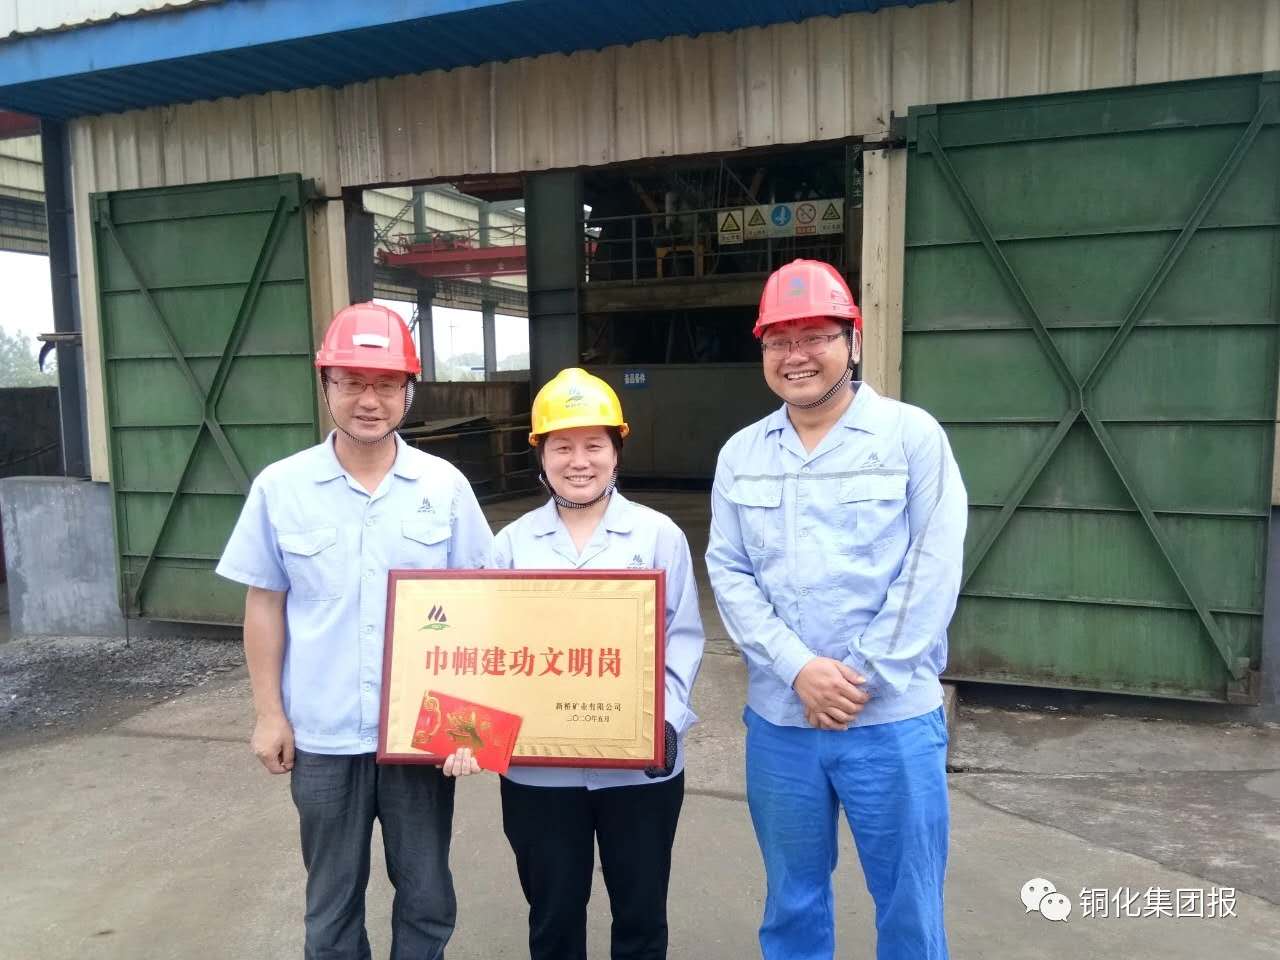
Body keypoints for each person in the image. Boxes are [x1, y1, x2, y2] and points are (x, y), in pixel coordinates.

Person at [705, 260, 967, 960]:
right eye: (778, 341)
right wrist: (799, 670)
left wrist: (857, 679)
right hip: (782, 722)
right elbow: (728, 572)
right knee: (792, 900)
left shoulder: (911, 437)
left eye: (815, 336)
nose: (796, 355)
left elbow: (933, 567)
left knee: (909, 902)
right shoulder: (741, 455)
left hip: (891, 720)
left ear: (853, 341)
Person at [215, 302, 493, 960]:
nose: (370, 400)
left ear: (409, 391)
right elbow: (264, 605)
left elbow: (480, 605)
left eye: (387, 384)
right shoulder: (281, 488)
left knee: (426, 895)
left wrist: (471, 721)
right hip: (322, 735)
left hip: (422, 734)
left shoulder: (445, 487)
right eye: (352, 382)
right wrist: (268, 714)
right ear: (326, 385)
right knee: (331, 904)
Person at [452, 367, 704, 960]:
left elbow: (683, 638)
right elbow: (486, 650)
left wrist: (664, 723)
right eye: (562, 446)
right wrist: (468, 732)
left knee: (641, 917)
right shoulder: (510, 545)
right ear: (540, 455)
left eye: (594, 444)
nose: (579, 461)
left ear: (617, 450)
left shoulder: (658, 536)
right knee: (554, 917)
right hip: (539, 774)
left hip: (638, 770)